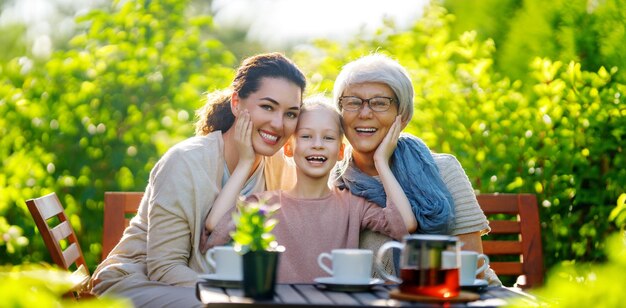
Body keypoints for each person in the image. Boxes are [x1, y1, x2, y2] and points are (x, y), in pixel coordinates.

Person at [90, 52, 307, 307]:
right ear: (237, 103)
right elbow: (165, 268)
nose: (278, 123)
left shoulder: (279, 167)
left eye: (291, 114)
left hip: (217, 290)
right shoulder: (184, 162)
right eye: (267, 107)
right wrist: (233, 297)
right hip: (140, 281)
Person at [203, 96, 417, 283]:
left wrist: (381, 160)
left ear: (341, 151)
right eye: (306, 136)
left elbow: (404, 224)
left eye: (329, 137)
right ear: (289, 148)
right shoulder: (263, 206)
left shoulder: (354, 206)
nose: (318, 145)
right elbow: (215, 226)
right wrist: (245, 162)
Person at [332, 53, 502, 285]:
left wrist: (382, 162)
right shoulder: (335, 181)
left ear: (403, 116)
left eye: (380, 102)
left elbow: (472, 271)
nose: (365, 113)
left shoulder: (444, 170)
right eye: (353, 101)